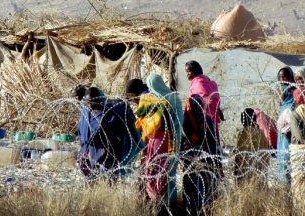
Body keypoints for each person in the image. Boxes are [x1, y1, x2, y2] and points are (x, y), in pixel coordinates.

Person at [133, 74, 182, 207]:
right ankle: (170, 200)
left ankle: (158, 200)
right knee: (170, 170)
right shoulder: (174, 97)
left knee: (155, 169)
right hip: (174, 138)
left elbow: (148, 124)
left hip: (159, 140)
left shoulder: (156, 100)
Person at [78, 87, 142, 178]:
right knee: (94, 176)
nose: (91, 106)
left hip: (111, 151)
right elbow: (83, 132)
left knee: (110, 175)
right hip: (92, 151)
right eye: (88, 103)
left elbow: (118, 135)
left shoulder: (111, 114)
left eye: (92, 103)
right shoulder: (87, 112)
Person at [181, 94, 219, 214]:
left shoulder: (191, 120)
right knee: (202, 189)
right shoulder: (206, 120)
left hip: (200, 162)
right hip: (203, 162)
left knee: (200, 188)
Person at [185, 61, 223, 139]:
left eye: (189, 71)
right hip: (214, 121)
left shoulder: (197, 84)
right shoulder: (212, 83)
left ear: (195, 71)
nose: (187, 74)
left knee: (204, 148)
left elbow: (193, 104)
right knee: (214, 148)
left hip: (202, 122)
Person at [232, 108, 270, 184]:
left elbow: (238, 156)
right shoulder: (261, 133)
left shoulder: (242, 133)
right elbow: (267, 154)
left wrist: (236, 171)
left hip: (246, 174)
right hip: (260, 172)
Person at [276, 66, 296, 184]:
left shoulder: (293, 91)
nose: (282, 80)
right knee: (282, 155)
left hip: (290, 128)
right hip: (282, 128)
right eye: (280, 78)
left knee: (288, 154)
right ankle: (284, 181)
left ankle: (287, 180)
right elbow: (280, 101)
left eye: (285, 77)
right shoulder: (280, 90)